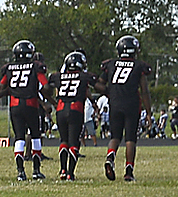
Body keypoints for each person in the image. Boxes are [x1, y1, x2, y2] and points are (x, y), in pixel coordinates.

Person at [100, 35, 152, 183]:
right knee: (130, 139)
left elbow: (99, 84)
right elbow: (145, 91)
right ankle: (128, 171)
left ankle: (110, 156)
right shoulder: (139, 66)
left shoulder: (110, 64)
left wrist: (110, 92)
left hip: (115, 104)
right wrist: (148, 112)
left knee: (115, 137)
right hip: (132, 104)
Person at [0, 40, 49, 181]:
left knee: (19, 137)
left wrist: (13, 90)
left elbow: (1, 88)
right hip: (31, 104)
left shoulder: (9, 68)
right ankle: (36, 171)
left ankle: (20, 172)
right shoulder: (35, 66)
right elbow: (45, 85)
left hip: (14, 105)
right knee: (35, 136)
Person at [48, 51, 102, 181]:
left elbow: (45, 88)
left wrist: (52, 101)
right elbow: (98, 86)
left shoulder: (57, 76)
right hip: (75, 109)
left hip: (60, 109)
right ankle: (70, 173)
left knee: (64, 140)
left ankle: (62, 169)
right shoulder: (84, 76)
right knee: (74, 142)